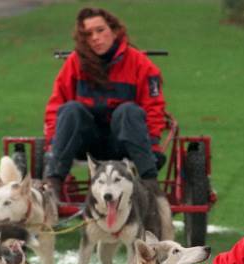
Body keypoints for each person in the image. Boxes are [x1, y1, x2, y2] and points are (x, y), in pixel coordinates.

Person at [43, 7, 166, 197]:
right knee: (71, 109)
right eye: (88, 34)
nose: (95, 38)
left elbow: (154, 108)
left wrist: (153, 146)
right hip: (86, 144)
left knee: (128, 110)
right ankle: (52, 184)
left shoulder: (141, 64)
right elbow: (56, 106)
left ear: (114, 31)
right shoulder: (75, 63)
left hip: (125, 143)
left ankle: (149, 184)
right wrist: (52, 146)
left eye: (100, 30)